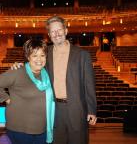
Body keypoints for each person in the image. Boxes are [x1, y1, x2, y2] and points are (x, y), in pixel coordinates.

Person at [12, 16, 97, 144]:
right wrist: (20, 66)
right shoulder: (46, 53)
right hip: (54, 109)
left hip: (77, 109)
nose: (56, 34)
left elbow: (89, 85)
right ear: (49, 35)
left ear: (66, 31)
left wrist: (92, 110)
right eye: (53, 31)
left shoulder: (82, 55)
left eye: (59, 30)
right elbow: (34, 67)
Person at [0, 39, 55, 144]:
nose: (39, 59)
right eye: (34, 55)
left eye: (42, 55)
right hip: (20, 130)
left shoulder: (47, 74)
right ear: (28, 57)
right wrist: (7, 99)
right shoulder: (17, 72)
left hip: (42, 128)